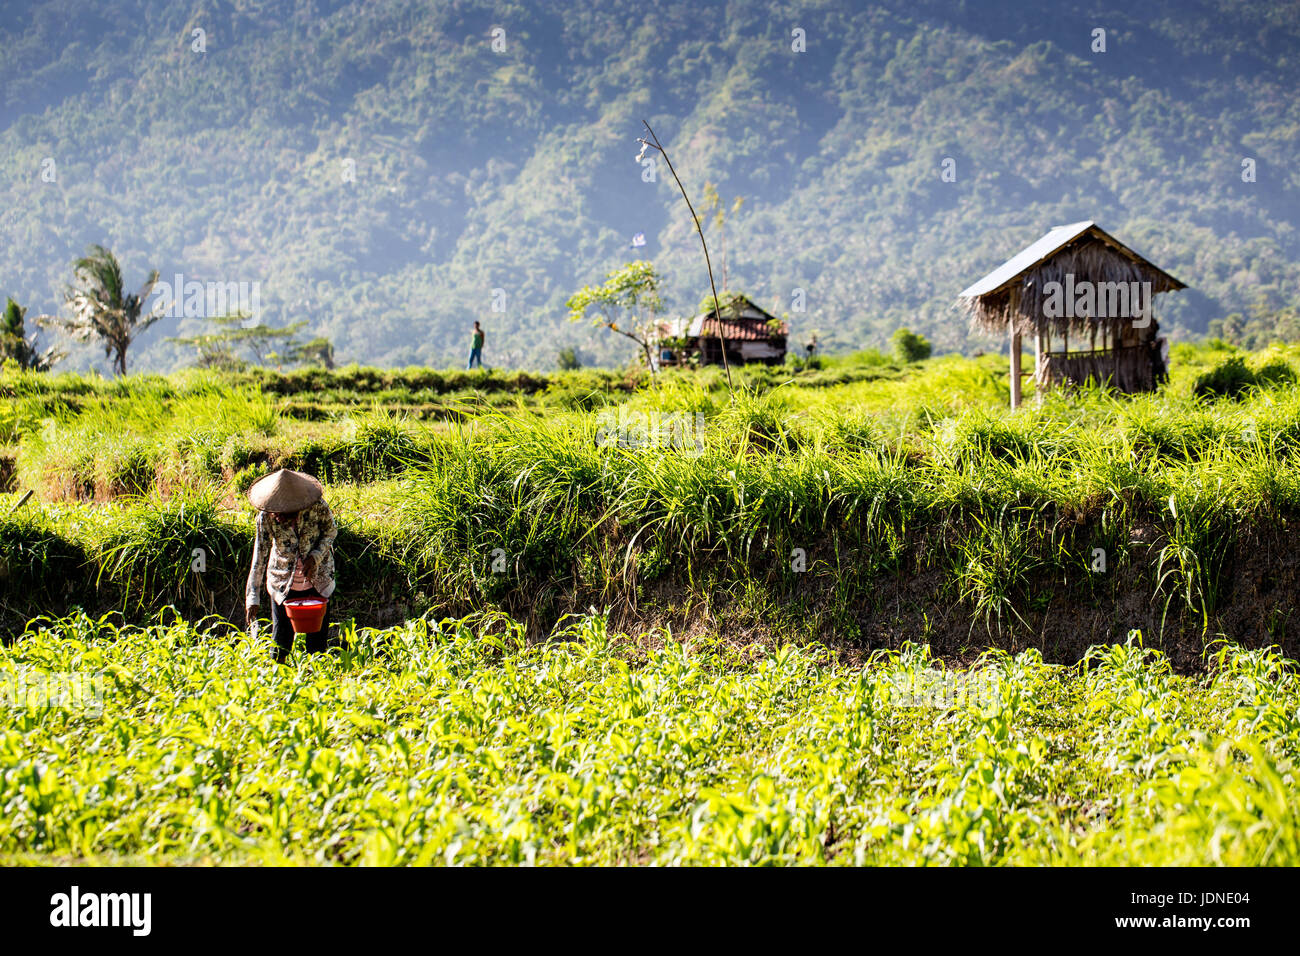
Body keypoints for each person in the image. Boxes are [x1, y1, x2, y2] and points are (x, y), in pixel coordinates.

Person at [244, 468, 338, 663]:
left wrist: (316, 556)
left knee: (317, 645)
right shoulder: (265, 517)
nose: (281, 515)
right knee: (280, 642)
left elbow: (331, 531)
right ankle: (279, 684)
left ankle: (319, 685)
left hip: (317, 581)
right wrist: (252, 596)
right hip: (282, 583)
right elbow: (259, 553)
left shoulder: (317, 507)